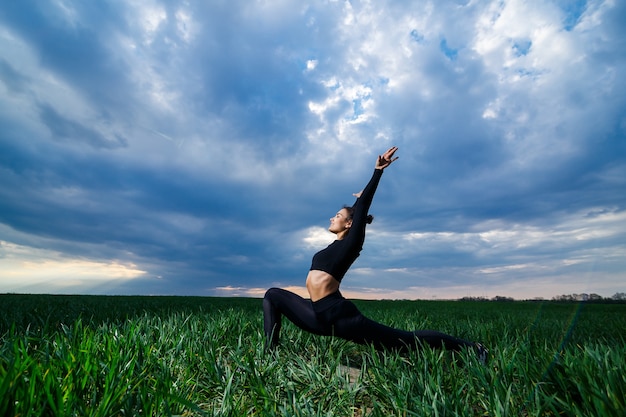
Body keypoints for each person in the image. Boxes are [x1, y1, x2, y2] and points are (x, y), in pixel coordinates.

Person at [263, 147, 488, 363]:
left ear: (349, 223)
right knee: (273, 295)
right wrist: (358, 200)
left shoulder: (352, 243)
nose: (332, 218)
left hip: (339, 317)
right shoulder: (334, 246)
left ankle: (473, 348)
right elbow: (357, 210)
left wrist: (377, 172)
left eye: (337, 215)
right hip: (317, 315)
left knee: (404, 341)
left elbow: (360, 212)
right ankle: (270, 354)